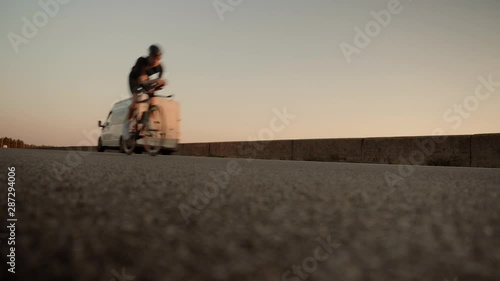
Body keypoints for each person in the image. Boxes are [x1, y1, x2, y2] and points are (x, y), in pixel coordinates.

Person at [123, 45, 167, 139]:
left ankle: (148, 121)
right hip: (135, 79)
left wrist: (160, 84)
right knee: (135, 103)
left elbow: (156, 82)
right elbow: (141, 81)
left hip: (146, 79)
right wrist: (155, 82)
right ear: (150, 56)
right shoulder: (141, 61)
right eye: (154, 58)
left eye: (158, 59)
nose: (156, 61)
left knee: (153, 99)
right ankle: (126, 125)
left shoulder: (160, 67)